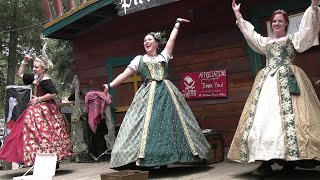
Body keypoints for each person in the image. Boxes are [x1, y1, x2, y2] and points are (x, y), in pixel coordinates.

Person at [103, 18, 211, 169]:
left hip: (167, 93)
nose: (146, 42)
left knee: (173, 122)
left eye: (149, 39)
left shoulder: (163, 56)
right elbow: (124, 74)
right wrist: (110, 85)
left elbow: (172, 40)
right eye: (144, 41)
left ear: (156, 43)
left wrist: (177, 24)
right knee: (144, 123)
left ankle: (182, 156)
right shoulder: (139, 59)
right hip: (148, 94)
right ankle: (143, 159)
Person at [228, 0, 320, 175]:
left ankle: (290, 160)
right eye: (274, 21)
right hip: (268, 82)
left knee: (292, 119)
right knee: (264, 119)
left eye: (280, 21)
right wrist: (238, 15)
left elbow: (308, 30)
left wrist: (314, 6)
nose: (277, 23)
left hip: (289, 80)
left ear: (286, 23)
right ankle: (266, 160)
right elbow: (251, 35)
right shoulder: (267, 42)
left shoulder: (293, 39)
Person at [0, 52, 73, 167]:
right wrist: (25, 61)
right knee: (31, 131)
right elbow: (20, 74)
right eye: (33, 66)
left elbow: (53, 93)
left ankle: (52, 159)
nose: (34, 69)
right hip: (36, 107)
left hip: (45, 108)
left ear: (43, 69)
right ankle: (36, 158)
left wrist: (39, 99)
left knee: (46, 134)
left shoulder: (45, 79)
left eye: (36, 67)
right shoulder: (36, 77)